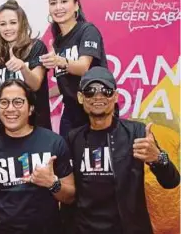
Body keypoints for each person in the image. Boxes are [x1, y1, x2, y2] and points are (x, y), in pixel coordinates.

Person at [67, 66, 180, 234]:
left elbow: (171, 181)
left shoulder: (137, 133)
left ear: (115, 96)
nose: (98, 96)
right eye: (90, 91)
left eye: (106, 90)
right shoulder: (73, 138)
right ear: (81, 97)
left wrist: (158, 158)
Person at [0, 79, 75, 234]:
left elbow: (70, 197)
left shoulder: (53, 142)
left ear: (31, 108)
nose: (10, 109)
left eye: (18, 102)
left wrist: (52, 183)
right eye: (4, 103)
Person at [40, 0, 108, 138]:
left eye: (64, 1)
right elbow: (65, 83)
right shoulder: (57, 42)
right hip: (70, 112)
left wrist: (59, 60)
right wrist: (38, 94)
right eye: (53, 3)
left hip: (94, 108)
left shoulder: (88, 31)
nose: (58, 7)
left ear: (76, 5)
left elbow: (84, 68)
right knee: (66, 159)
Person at [0, 0, 52, 130]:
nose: (8, 28)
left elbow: (35, 84)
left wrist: (23, 67)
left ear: (22, 24)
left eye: (13, 23)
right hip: (7, 130)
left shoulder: (37, 47)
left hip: (36, 128)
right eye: (3, 24)